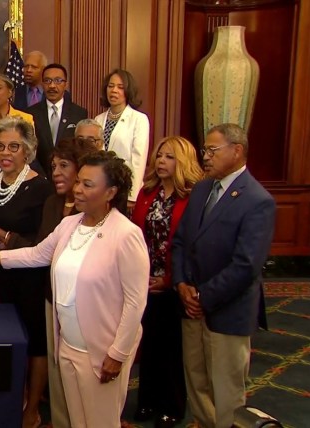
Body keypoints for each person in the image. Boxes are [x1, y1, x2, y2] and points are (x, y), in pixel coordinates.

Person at [0, 150, 150, 428]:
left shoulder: (126, 234)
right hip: (68, 344)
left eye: (88, 184)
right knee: (76, 420)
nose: (78, 189)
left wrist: (118, 354)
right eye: (79, 182)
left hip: (102, 350)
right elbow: (37, 254)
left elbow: (136, 301)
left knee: (101, 422)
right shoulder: (68, 224)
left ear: (111, 192)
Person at [0, 137, 97, 428]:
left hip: (85, 304)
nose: (56, 172)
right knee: (54, 362)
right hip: (46, 291)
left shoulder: (100, 214)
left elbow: (40, 250)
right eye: (53, 165)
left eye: (64, 166)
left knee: (83, 378)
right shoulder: (54, 204)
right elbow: (41, 251)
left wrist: (0, 240)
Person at [173, 124, 276, 428]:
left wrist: (203, 297)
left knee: (227, 394)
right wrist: (181, 285)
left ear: (237, 150)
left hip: (227, 314)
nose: (205, 156)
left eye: (212, 150)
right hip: (190, 308)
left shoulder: (258, 200)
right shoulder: (202, 188)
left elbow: (246, 265)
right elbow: (180, 241)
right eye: (204, 149)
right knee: (198, 386)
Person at [0, 116, 52, 428]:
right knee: (8, 339)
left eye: (14, 147)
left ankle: (32, 408)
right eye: (1, 146)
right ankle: (14, 397)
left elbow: (42, 243)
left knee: (35, 343)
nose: (6, 152)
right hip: (0, 275)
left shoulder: (42, 188)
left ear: (28, 150)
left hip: (32, 279)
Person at [131, 136, 203, 427]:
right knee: (147, 344)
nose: (161, 161)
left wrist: (170, 280)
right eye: (160, 156)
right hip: (144, 280)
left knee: (172, 348)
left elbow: (191, 246)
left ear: (183, 161)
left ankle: (172, 405)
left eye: (170, 157)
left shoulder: (193, 197)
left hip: (175, 283)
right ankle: (146, 401)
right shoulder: (147, 192)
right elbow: (136, 236)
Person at [95, 69, 150, 211]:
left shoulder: (139, 119)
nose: (114, 91)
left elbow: (139, 159)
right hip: (101, 187)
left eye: (120, 87)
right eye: (110, 86)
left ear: (128, 91)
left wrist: (132, 196)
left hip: (125, 186)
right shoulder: (98, 119)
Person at [26, 63, 89, 172]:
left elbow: (80, 150)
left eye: (58, 81)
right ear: (42, 84)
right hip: (38, 175)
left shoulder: (79, 113)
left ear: (66, 84)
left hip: (69, 175)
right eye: (47, 81)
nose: (52, 86)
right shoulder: (30, 114)